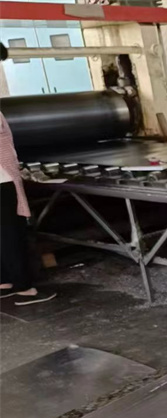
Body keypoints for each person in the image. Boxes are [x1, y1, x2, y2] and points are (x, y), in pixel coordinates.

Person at [0, 43, 56, 306]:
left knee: (1, 233)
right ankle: (25, 289)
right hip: (1, 179)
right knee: (11, 233)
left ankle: (5, 282)